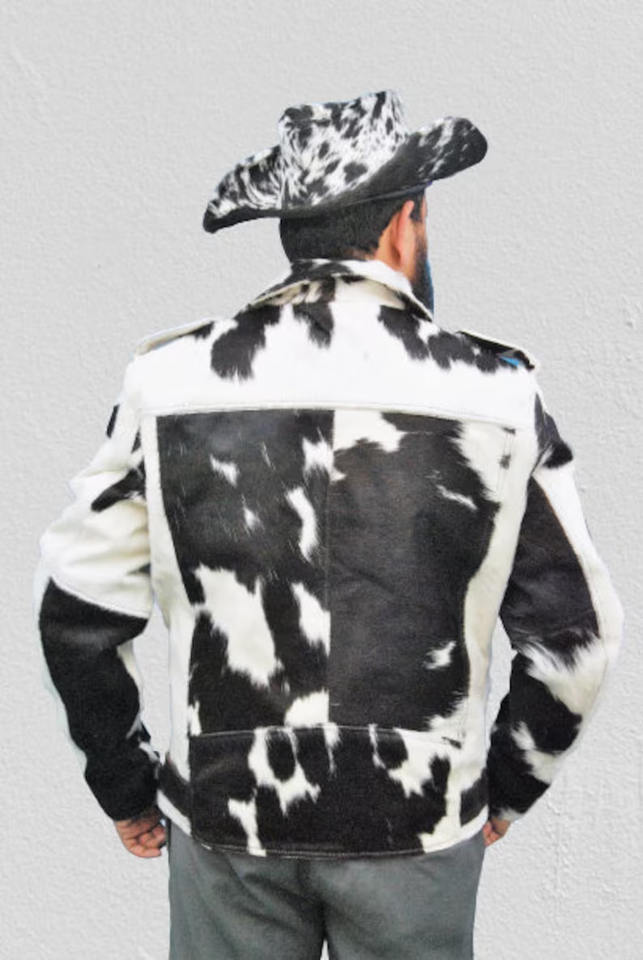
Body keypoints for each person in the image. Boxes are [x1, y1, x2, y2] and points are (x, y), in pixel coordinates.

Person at [33, 88, 624, 959]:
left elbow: (76, 616)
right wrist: (504, 786)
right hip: (417, 819)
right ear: (404, 225)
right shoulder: (495, 394)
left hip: (228, 820)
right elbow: (575, 639)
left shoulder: (167, 384)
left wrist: (125, 786)